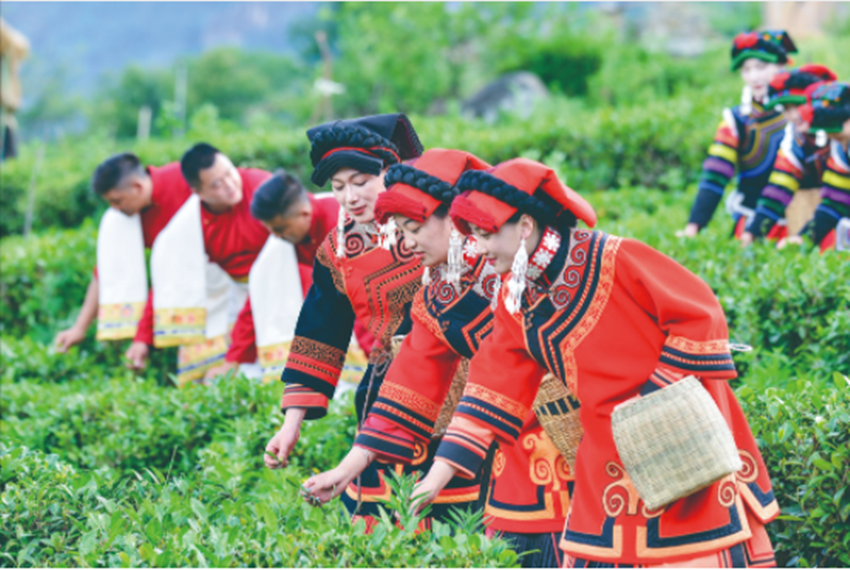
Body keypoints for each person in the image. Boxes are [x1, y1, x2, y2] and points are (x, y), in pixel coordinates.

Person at [413, 158, 779, 567]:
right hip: (604, 452)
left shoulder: (615, 257)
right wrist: (436, 476)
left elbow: (700, 313)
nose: (479, 248)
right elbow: (492, 383)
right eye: (475, 237)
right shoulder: (516, 296)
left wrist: (655, 399)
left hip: (676, 436)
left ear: (526, 225)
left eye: (486, 234)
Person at [300, 148, 571, 565]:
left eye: (413, 228)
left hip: (577, 442)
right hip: (511, 451)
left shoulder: (526, 268)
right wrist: (347, 469)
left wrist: (436, 477)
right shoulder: (440, 294)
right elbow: (408, 383)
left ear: (455, 220)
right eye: (400, 231)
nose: (405, 243)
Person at [265, 114, 459, 527]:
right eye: (338, 187)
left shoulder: (437, 226)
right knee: (380, 522)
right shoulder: (339, 248)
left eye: (361, 181)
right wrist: (290, 424)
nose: (350, 197)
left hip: (456, 383)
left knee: (460, 520)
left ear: (390, 172)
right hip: (385, 388)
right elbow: (320, 330)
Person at [149, 143, 273, 383]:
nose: (230, 185)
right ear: (199, 193)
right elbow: (169, 280)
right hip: (239, 292)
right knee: (214, 371)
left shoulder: (263, 186)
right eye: (217, 184)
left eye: (230, 173)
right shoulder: (188, 226)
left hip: (287, 281)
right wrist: (143, 338)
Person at [54, 153, 192, 369]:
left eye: (117, 201)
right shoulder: (127, 216)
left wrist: (143, 336)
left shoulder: (185, 179)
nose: (114, 209)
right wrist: (79, 328)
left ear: (137, 187)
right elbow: (106, 272)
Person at [683, 30, 796, 239]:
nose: (754, 77)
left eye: (761, 67)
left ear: (781, 65)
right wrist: (693, 226)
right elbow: (715, 174)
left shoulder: (802, 116)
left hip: (802, 221)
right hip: (752, 225)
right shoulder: (736, 121)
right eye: (746, 69)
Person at [742, 65, 837, 245]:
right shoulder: (796, 140)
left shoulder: (839, 135)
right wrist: (752, 233)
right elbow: (779, 188)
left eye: (799, 106)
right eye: (786, 108)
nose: (793, 115)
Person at [780, 82, 850, 252]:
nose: (832, 135)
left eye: (836, 130)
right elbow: (835, 202)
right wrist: (803, 238)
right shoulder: (840, 149)